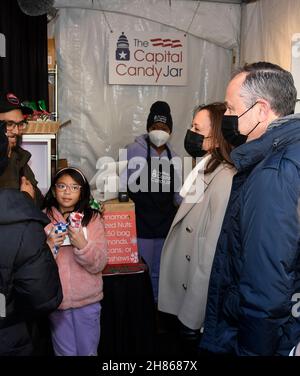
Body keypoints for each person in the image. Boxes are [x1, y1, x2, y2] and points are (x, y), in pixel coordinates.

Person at [200, 62, 300, 356]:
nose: (227, 117)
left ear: (260, 110)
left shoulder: (274, 171)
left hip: (262, 339)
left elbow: (266, 282)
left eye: (231, 109)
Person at [158, 103, 235, 354]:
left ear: (215, 138)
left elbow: (209, 253)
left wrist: (193, 316)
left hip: (194, 300)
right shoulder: (205, 168)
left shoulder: (224, 177)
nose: (190, 132)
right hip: (184, 288)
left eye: (196, 128)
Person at [0, 122, 63, 356]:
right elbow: (43, 296)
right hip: (9, 334)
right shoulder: (21, 225)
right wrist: (25, 203)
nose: (14, 131)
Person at [43, 167, 108, 356]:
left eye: (74, 187)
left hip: (88, 301)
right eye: (62, 186)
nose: (67, 191)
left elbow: (100, 263)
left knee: (88, 352)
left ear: (82, 192)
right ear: (54, 190)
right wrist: (49, 246)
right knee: (64, 353)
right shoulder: (42, 218)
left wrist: (82, 244)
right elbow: (36, 265)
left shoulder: (92, 219)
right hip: (57, 301)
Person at [121, 101, 182, 303]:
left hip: (165, 225)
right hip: (141, 224)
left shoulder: (175, 156)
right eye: (155, 127)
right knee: (140, 270)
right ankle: (140, 309)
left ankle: (156, 308)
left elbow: (178, 195)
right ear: (148, 128)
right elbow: (122, 187)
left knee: (160, 272)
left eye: (164, 128)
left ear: (170, 131)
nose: (159, 132)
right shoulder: (132, 150)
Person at [0, 92, 43, 207]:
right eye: (9, 124)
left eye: (20, 124)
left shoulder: (19, 156)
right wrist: (26, 197)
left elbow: (39, 202)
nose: (17, 131)